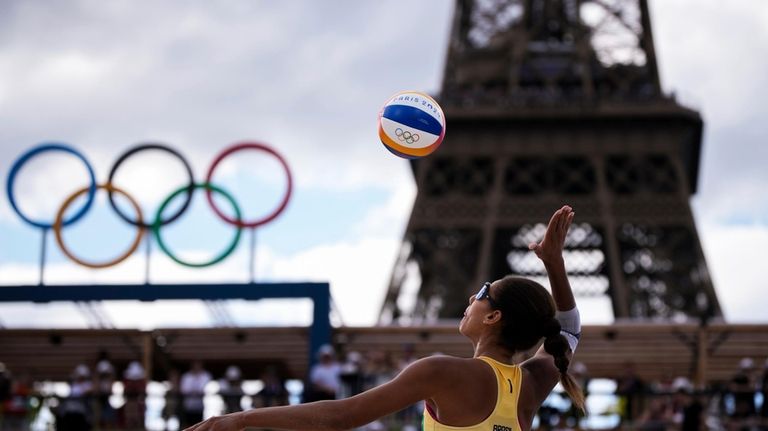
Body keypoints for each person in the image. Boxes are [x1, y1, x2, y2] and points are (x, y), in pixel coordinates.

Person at [185, 205, 585, 431]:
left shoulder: (444, 372)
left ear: (494, 316)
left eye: (482, 293)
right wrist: (554, 265)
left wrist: (237, 421)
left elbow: (341, 416)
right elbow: (568, 328)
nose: (471, 295)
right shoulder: (531, 384)